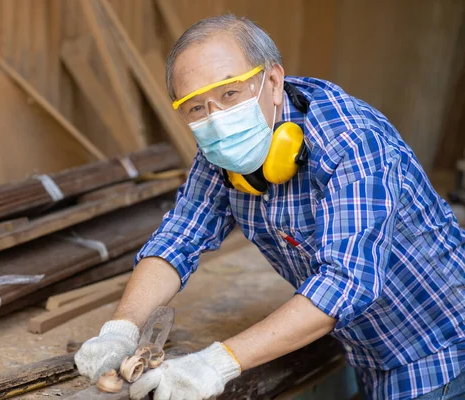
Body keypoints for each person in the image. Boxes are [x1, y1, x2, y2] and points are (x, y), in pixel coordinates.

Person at [74, 15, 465, 400]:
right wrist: (121, 328)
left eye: (230, 94)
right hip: (367, 348)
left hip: (440, 350)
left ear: (273, 81)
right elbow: (180, 236)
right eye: (196, 108)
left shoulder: (351, 142)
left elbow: (346, 282)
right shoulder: (222, 151)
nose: (217, 120)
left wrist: (216, 363)